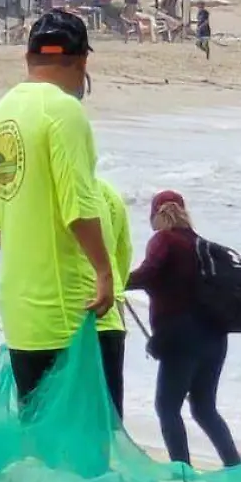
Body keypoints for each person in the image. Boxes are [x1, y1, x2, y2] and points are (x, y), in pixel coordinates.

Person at [0, 11, 117, 405]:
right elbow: (78, 204)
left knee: (37, 432)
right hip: (68, 311)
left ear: (27, 58)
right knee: (83, 437)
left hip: (20, 307)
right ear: (81, 63)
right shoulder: (63, 111)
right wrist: (104, 272)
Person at [126, 191, 241, 468]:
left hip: (182, 340)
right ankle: (234, 466)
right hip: (215, 338)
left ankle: (182, 474)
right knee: (204, 408)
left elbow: (149, 273)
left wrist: (112, 280)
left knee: (167, 408)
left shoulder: (164, 240)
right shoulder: (201, 245)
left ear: (156, 214)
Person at [95, 175, 133, 416]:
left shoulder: (61, 191)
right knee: (110, 401)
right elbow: (124, 250)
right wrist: (116, 287)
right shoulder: (111, 193)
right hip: (112, 306)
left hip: (73, 310)